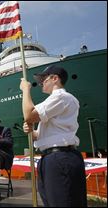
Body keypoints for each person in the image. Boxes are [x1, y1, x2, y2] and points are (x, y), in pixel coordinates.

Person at [20, 65, 87, 207]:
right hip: (52, 157)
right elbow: (42, 135)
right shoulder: (55, 101)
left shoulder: (61, 97)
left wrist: (25, 90)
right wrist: (32, 132)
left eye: (43, 79)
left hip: (60, 158)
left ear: (55, 78)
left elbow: (29, 114)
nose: (41, 83)